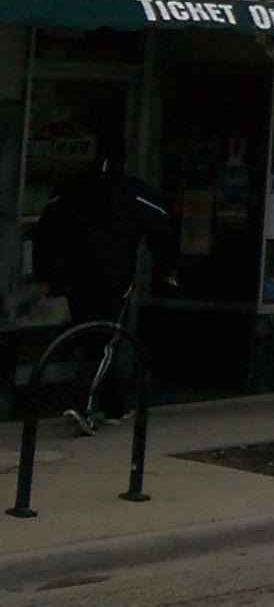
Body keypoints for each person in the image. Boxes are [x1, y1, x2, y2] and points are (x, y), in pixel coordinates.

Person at [31, 155, 174, 433]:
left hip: (74, 277)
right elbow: (161, 226)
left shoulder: (68, 190)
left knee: (90, 336)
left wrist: (48, 275)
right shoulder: (132, 191)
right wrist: (167, 266)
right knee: (104, 340)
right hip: (112, 277)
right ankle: (81, 403)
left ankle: (113, 405)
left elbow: (46, 229)